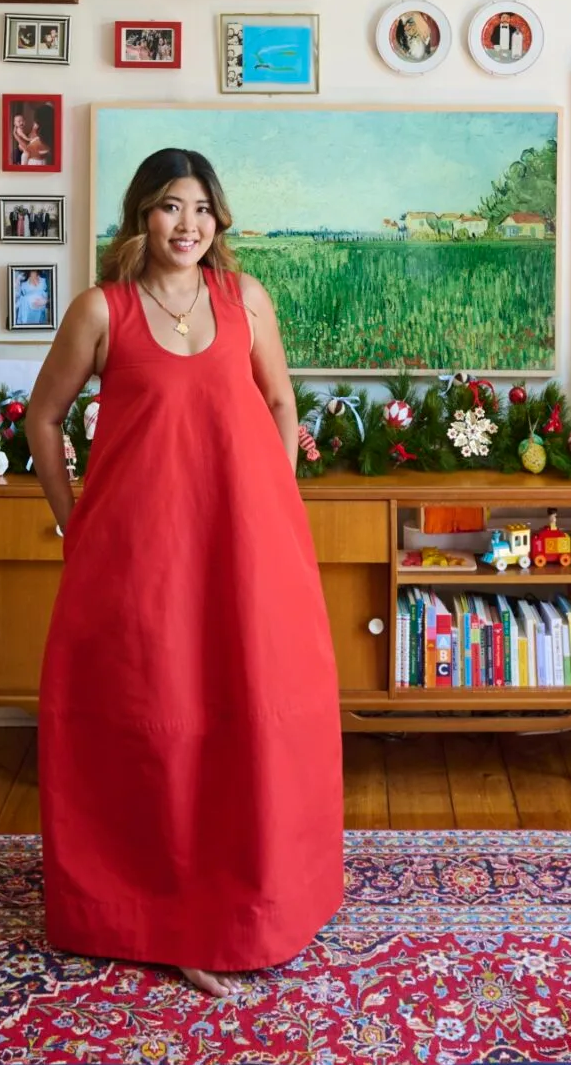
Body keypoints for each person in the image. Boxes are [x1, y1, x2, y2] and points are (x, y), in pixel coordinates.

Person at [25, 148, 343, 998]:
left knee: (252, 715)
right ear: (140, 216)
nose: (187, 223)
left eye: (201, 207)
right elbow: (41, 417)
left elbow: (281, 402)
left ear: (218, 219)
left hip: (244, 545)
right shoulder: (102, 310)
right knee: (157, 726)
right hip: (137, 554)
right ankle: (153, 913)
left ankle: (263, 896)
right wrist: (72, 518)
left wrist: (274, 505)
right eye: (170, 206)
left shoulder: (247, 302)